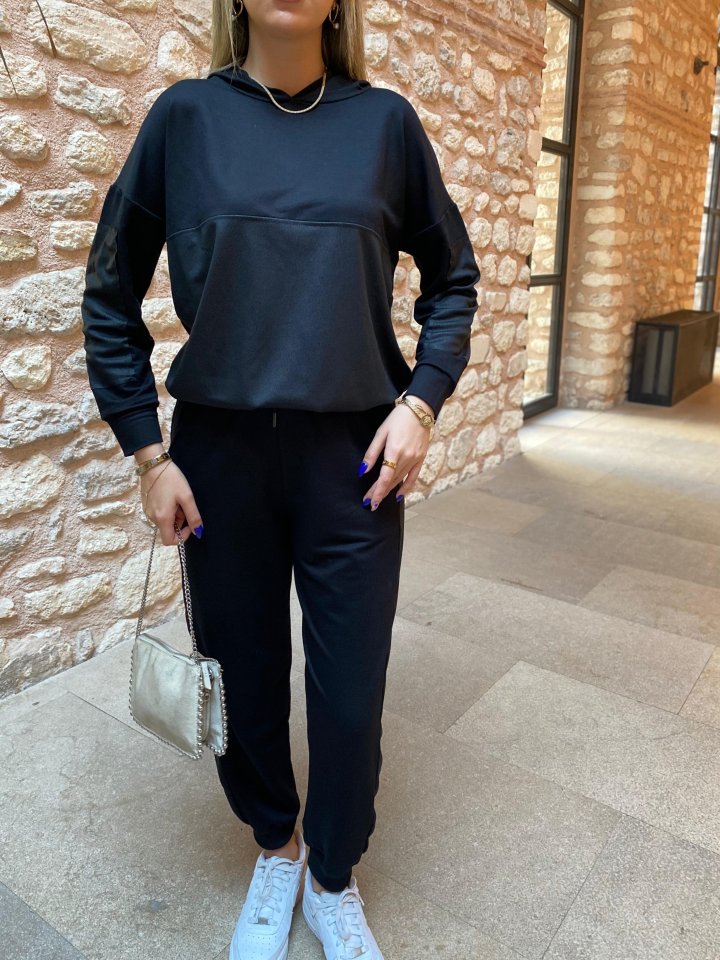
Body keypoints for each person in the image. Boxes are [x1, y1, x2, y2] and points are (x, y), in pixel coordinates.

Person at [81, 0, 481, 957]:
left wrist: (420, 405)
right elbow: (109, 289)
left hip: (353, 462)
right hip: (219, 458)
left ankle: (332, 876)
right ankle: (277, 846)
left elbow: (453, 279)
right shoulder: (185, 118)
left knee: (349, 690)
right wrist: (148, 453)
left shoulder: (384, 126)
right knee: (245, 674)